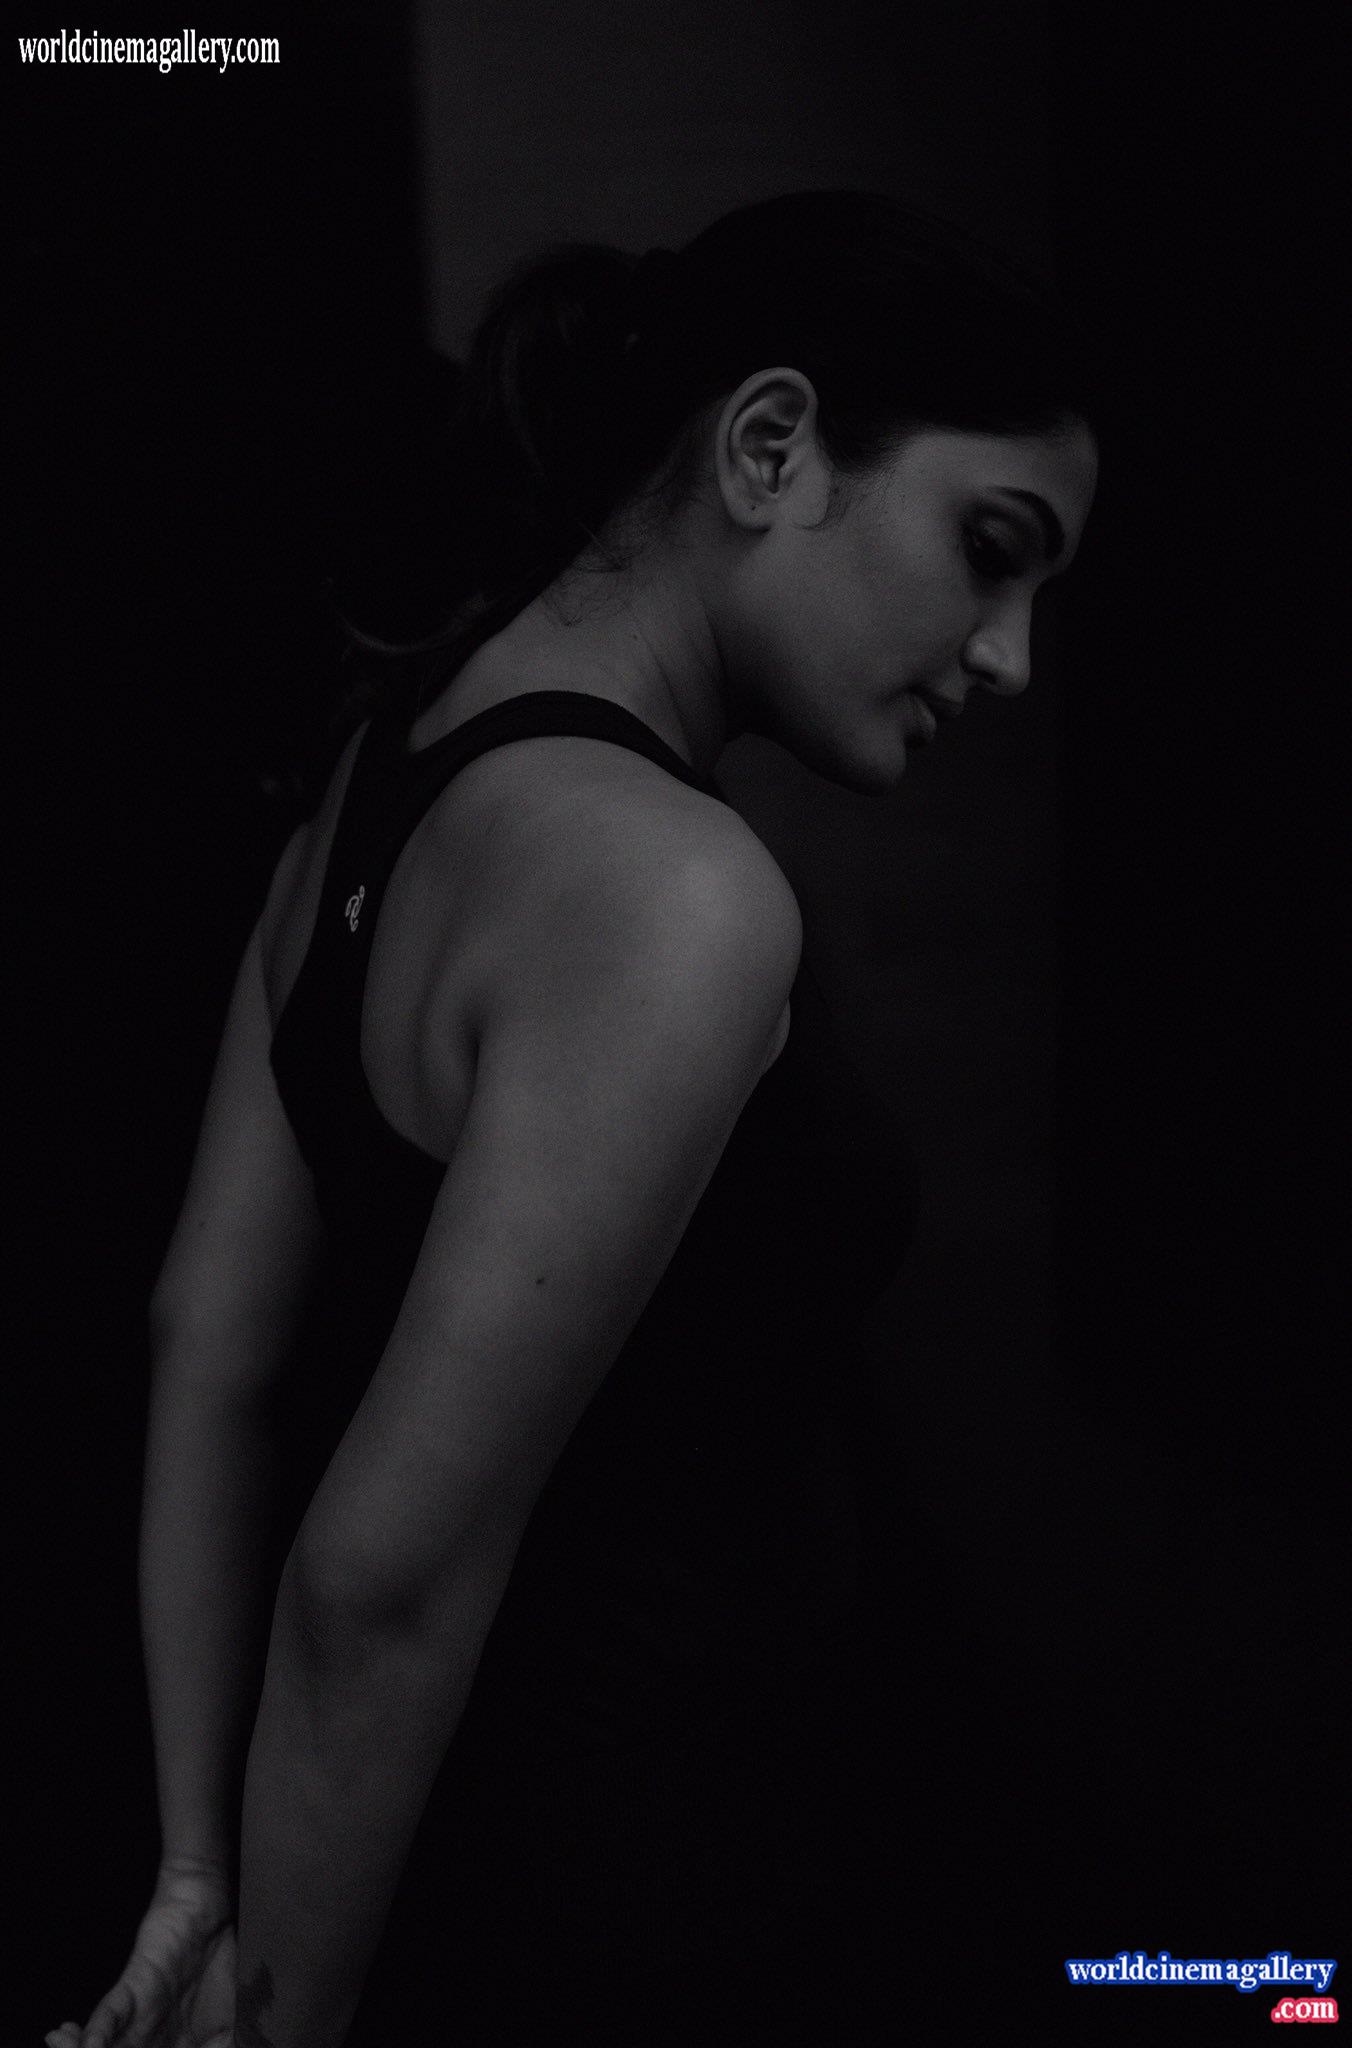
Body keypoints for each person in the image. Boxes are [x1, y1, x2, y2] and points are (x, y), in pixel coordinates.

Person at [47, 190, 1098, 2048]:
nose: (1008, 655)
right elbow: (377, 1579)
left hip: (491, 1882)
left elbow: (206, 1345)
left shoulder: (377, 777)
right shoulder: (671, 890)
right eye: (989, 549)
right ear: (770, 447)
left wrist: (206, 1878)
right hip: (649, 1922)